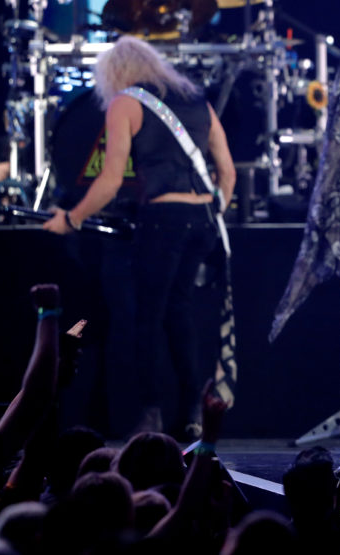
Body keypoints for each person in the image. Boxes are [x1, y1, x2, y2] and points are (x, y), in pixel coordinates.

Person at [43, 35, 235, 438]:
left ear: (114, 73)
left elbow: (110, 181)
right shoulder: (197, 102)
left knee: (146, 319)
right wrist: (212, 210)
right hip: (203, 220)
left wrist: (72, 219)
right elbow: (227, 173)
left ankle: (150, 414)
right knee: (179, 311)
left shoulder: (125, 103)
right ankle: (193, 413)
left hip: (163, 220)